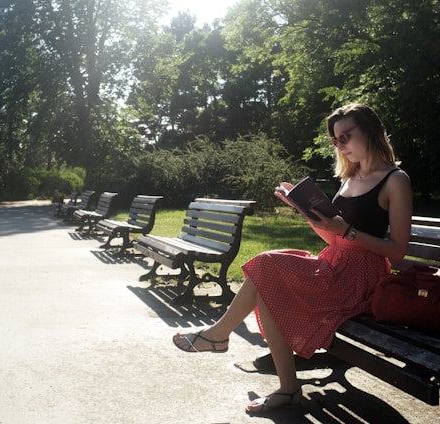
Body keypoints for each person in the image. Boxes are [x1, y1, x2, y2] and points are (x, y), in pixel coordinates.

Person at [172, 103, 413, 415]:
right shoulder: (350, 179)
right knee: (267, 281)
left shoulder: (396, 179)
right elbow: (334, 238)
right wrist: (309, 215)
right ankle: (286, 388)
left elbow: (397, 250)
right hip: (335, 264)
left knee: (266, 266)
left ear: (370, 130)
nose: (341, 145)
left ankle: (219, 336)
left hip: (362, 279)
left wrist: (348, 230)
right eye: (336, 140)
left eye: (346, 136)